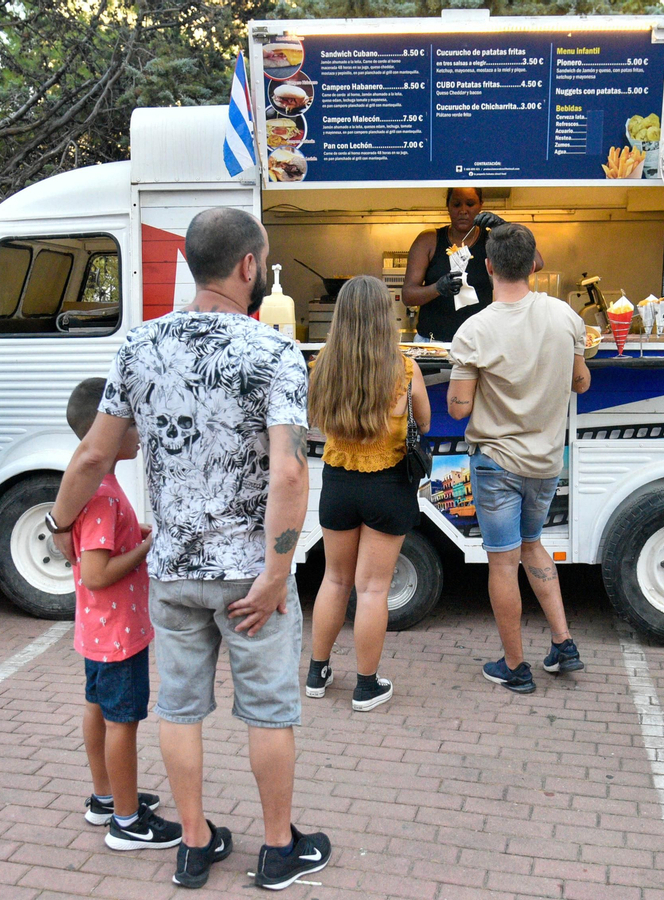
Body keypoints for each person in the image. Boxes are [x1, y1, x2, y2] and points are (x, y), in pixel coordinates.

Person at [50, 207, 330, 892]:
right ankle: (276, 850)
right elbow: (290, 471)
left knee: (178, 710)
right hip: (248, 577)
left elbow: (93, 454)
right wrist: (277, 571)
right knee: (268, 711)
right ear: (248, 267)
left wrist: (61, 525)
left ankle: (195, 843)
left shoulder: (138, 348)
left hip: (171, 570)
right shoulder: (274, 352)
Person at [446, 223, 592, 695]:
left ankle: (515, 666)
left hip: (497, 464)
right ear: (534, 264)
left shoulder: (475, 330)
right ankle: (563, 642)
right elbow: (581, 382)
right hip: (547, 462)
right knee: (534, 545)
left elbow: (458, 408)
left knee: (503, 563)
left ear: (486, 267)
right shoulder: (567, 317)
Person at [63, 378, 182, 852]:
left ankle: (105, 798)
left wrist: (133, 538)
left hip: (97, 631)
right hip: (119, 633)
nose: (138, 433)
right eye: (132, 425)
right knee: (122, 722)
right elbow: (95, 572)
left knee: (98, 709)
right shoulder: (105, 495)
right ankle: (128, 823)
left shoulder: (89, 486)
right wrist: (146, 547)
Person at [305, 275, 432, 713]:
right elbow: (426, 423)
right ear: (385, 315)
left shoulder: (323, 364)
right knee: (373, 589)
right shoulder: (405, 367)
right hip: (388, 485)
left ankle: (317, 673)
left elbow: (315, 418)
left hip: (338, 482)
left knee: (334, 580)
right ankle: (365, 685)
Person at [402, 188, 542, 343]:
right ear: (447, 206)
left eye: (470, 204)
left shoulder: (491, 241)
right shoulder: (428, 240)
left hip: (479, 341)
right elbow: (408, 296)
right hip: (433, 341)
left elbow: (537, 263)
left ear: (480, 205)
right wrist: (437, 288)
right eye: (456, 204)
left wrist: (505, 229)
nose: (463, 210)